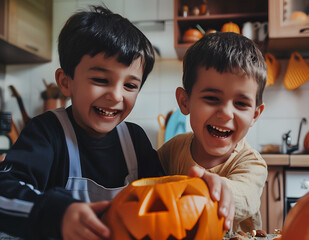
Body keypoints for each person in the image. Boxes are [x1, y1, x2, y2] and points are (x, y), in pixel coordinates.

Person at [0, 6, 232, 240]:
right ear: (65, 81)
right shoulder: (47, 133)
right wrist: (58, 215)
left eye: (130, 85)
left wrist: (202, 188)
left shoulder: (135, 140)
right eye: (101, 80)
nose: (116, 96)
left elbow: (166, 199)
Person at [158, 32, 268, 233]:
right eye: (212, 98)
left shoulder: (251, 163)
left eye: (241, 104)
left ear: (255, 115)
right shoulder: (172, 150)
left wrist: (219, 189)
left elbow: (247, 197)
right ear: (185, 101)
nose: (226, 113)